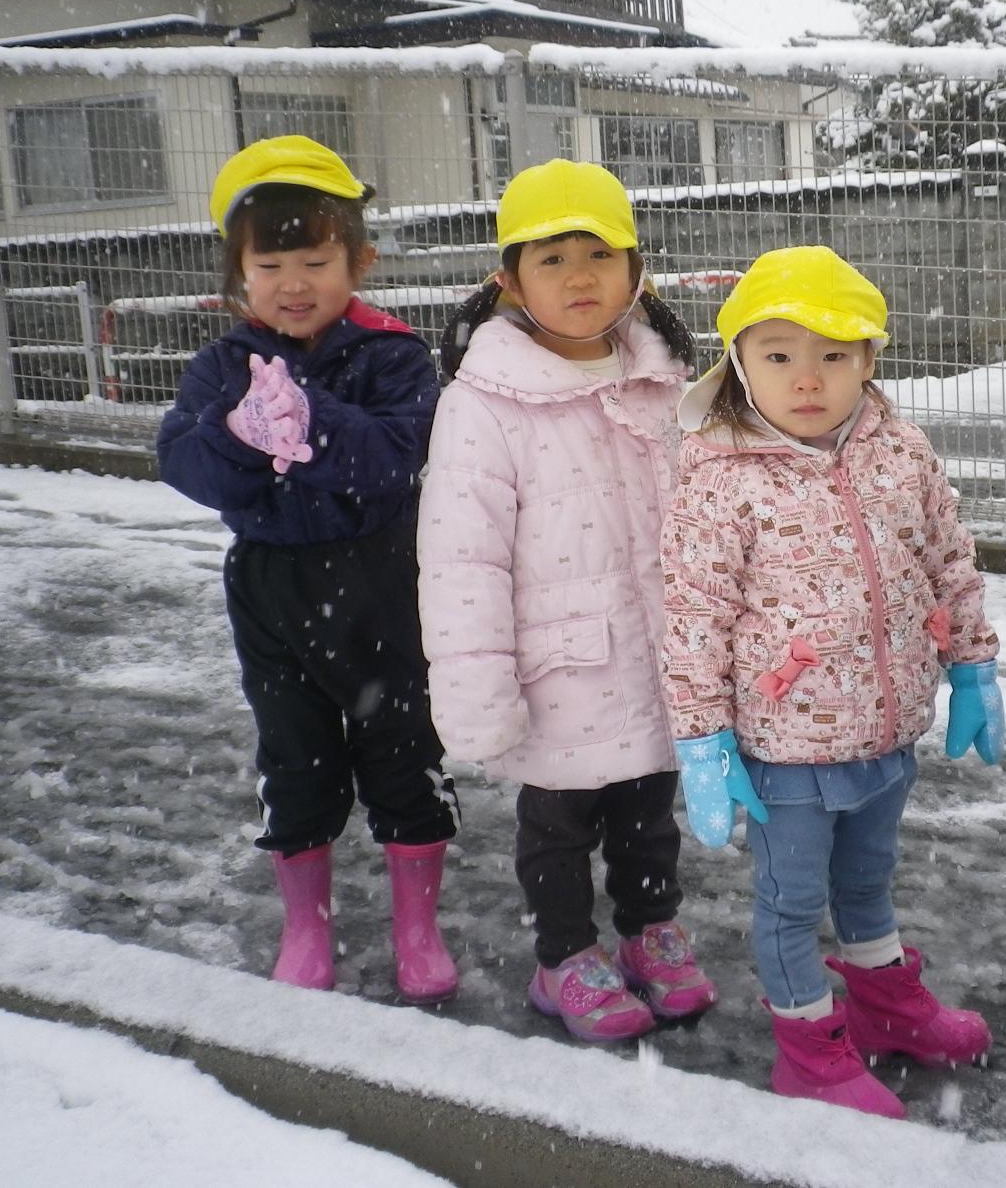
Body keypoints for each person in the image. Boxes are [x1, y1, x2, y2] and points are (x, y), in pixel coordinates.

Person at [660, 245, 1006, 1119]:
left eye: (833, 355)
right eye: (778, 355)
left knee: (867, 883)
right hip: (789, 748)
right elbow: (694, 616)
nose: (806, 378)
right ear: (740, 362)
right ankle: (808, 1050)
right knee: (790, 900)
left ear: (869, 361)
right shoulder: (721, 478)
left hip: (889, 729)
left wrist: (971, 665)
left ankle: (885, 1008)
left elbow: (947, 560)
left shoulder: (900, 450)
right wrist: (701, 740)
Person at [158, 135, 461, 1004]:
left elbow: (396, 461)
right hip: (272, 589)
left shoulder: (392, 355)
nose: (295, 281)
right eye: (272, 261)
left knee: (403, 750)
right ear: (238, 274)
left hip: (383, 585)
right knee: (294, 756)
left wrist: (309, 417)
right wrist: (240, 433)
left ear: (358, 261)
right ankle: (307, 925)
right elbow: (184, 463)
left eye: (317, 259)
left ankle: (417, 927)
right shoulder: (222, 365)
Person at [417, 159, 713, 1045]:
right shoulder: (483, 404)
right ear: (508, 280)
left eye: (599, 253)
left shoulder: (669, 384)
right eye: (551, 259)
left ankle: (649, 932)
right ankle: (564, 956)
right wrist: (477, 692)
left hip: (656, 657)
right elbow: (461, 560)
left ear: (636, 269)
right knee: (557, 827)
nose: (579, 277)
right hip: (556, 668)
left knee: (649, 815)